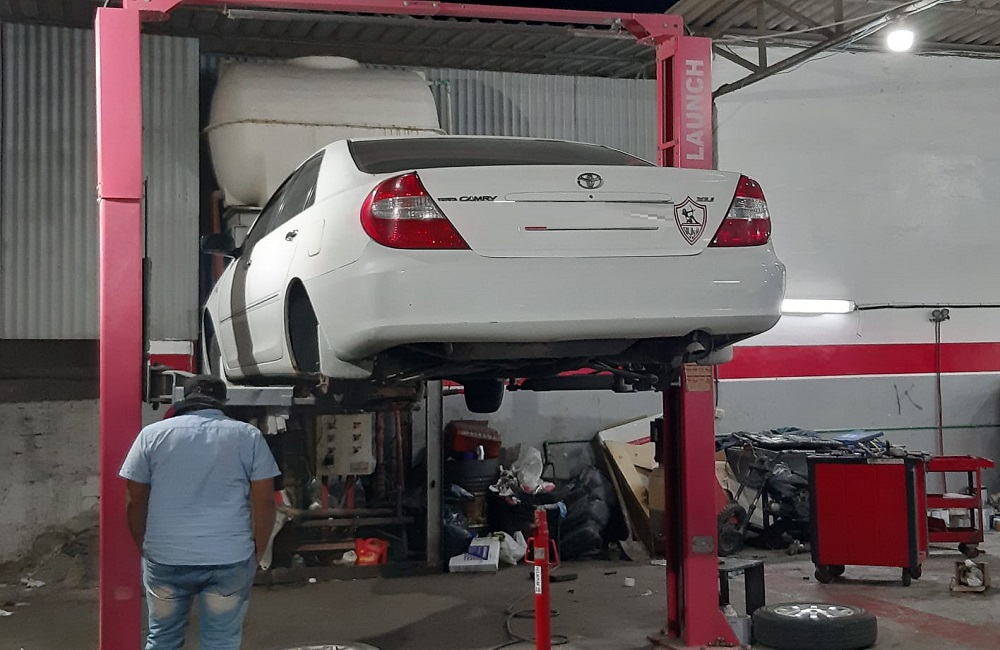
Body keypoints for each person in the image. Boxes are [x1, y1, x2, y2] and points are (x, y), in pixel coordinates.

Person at [120, 374, 280, 650]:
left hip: (166, 557)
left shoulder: (152, 435)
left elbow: (135, 501)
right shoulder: (248, 436)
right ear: (223, 401)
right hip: (229, 557)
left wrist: (145, 546)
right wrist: (257, 551)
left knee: (162, 638)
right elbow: (265, 500)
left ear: (185, 399)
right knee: (220, 642)